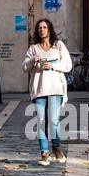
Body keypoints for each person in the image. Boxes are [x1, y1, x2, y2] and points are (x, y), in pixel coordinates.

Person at [22, 18, 72, 166]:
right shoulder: (33, 48)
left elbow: (68, 65)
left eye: (44, 27)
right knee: (41, 121)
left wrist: (53, 66)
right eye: (39, 28)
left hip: (56, 88)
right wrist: (33, 61)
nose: (42, 30)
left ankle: (56, 147)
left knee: (54, 121)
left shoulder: (58, 45)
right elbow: (25, 67)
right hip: (39, 89)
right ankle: (44, 153)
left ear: (49, 29)